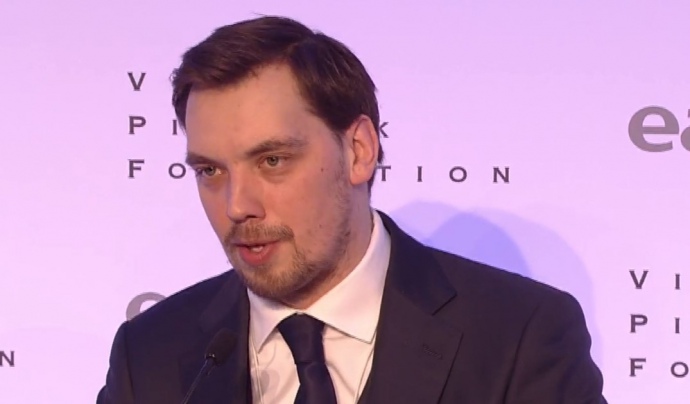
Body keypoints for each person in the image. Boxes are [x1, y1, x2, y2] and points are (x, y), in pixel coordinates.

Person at [97, 15, 607, 404]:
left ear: (358, 151)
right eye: (210, 171)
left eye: (272, 161)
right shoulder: (150, 355)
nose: (236, 205)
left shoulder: (518, 335)